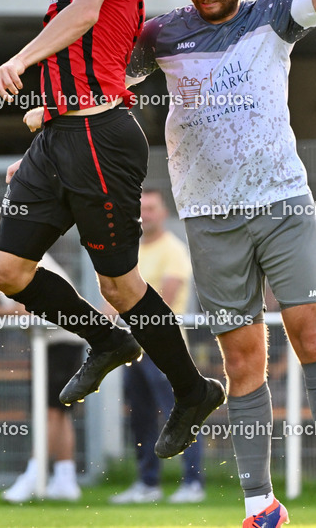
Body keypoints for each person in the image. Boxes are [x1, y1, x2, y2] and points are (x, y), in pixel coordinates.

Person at [126, 0, 316, 528]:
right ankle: (261, 505)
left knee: (311, 332)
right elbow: (103, 81)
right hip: (210, 218)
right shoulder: (161, 34)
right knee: (241, 360)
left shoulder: (275, 13)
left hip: (283, 202)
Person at [0, 0, 223, 463]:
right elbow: (90, 48)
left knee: (120, 283)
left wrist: (17, 62)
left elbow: (87, 14)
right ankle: (107, 340)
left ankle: (193, 391)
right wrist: (43, 132)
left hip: (97, 134)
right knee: (6, 271)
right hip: (64, 133)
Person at [0, 217, 84, 502]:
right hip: (48, 341)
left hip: (64, 340)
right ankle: (66, 479)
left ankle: (34, 475)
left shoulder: (26, 260)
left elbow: (23, 312)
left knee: (50, 411)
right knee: (58, 412)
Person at [111, 189, 204, 505]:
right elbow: (113, 297)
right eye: (141, 209)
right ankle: (147, 484)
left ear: (163, 212)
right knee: (141, 417)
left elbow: (162, 298)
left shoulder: (174, 250)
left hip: (167, 349)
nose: (145, 214)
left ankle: (193, 483)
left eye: (151, 208)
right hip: (135, 349)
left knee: (181, 414)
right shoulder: (130, 253)